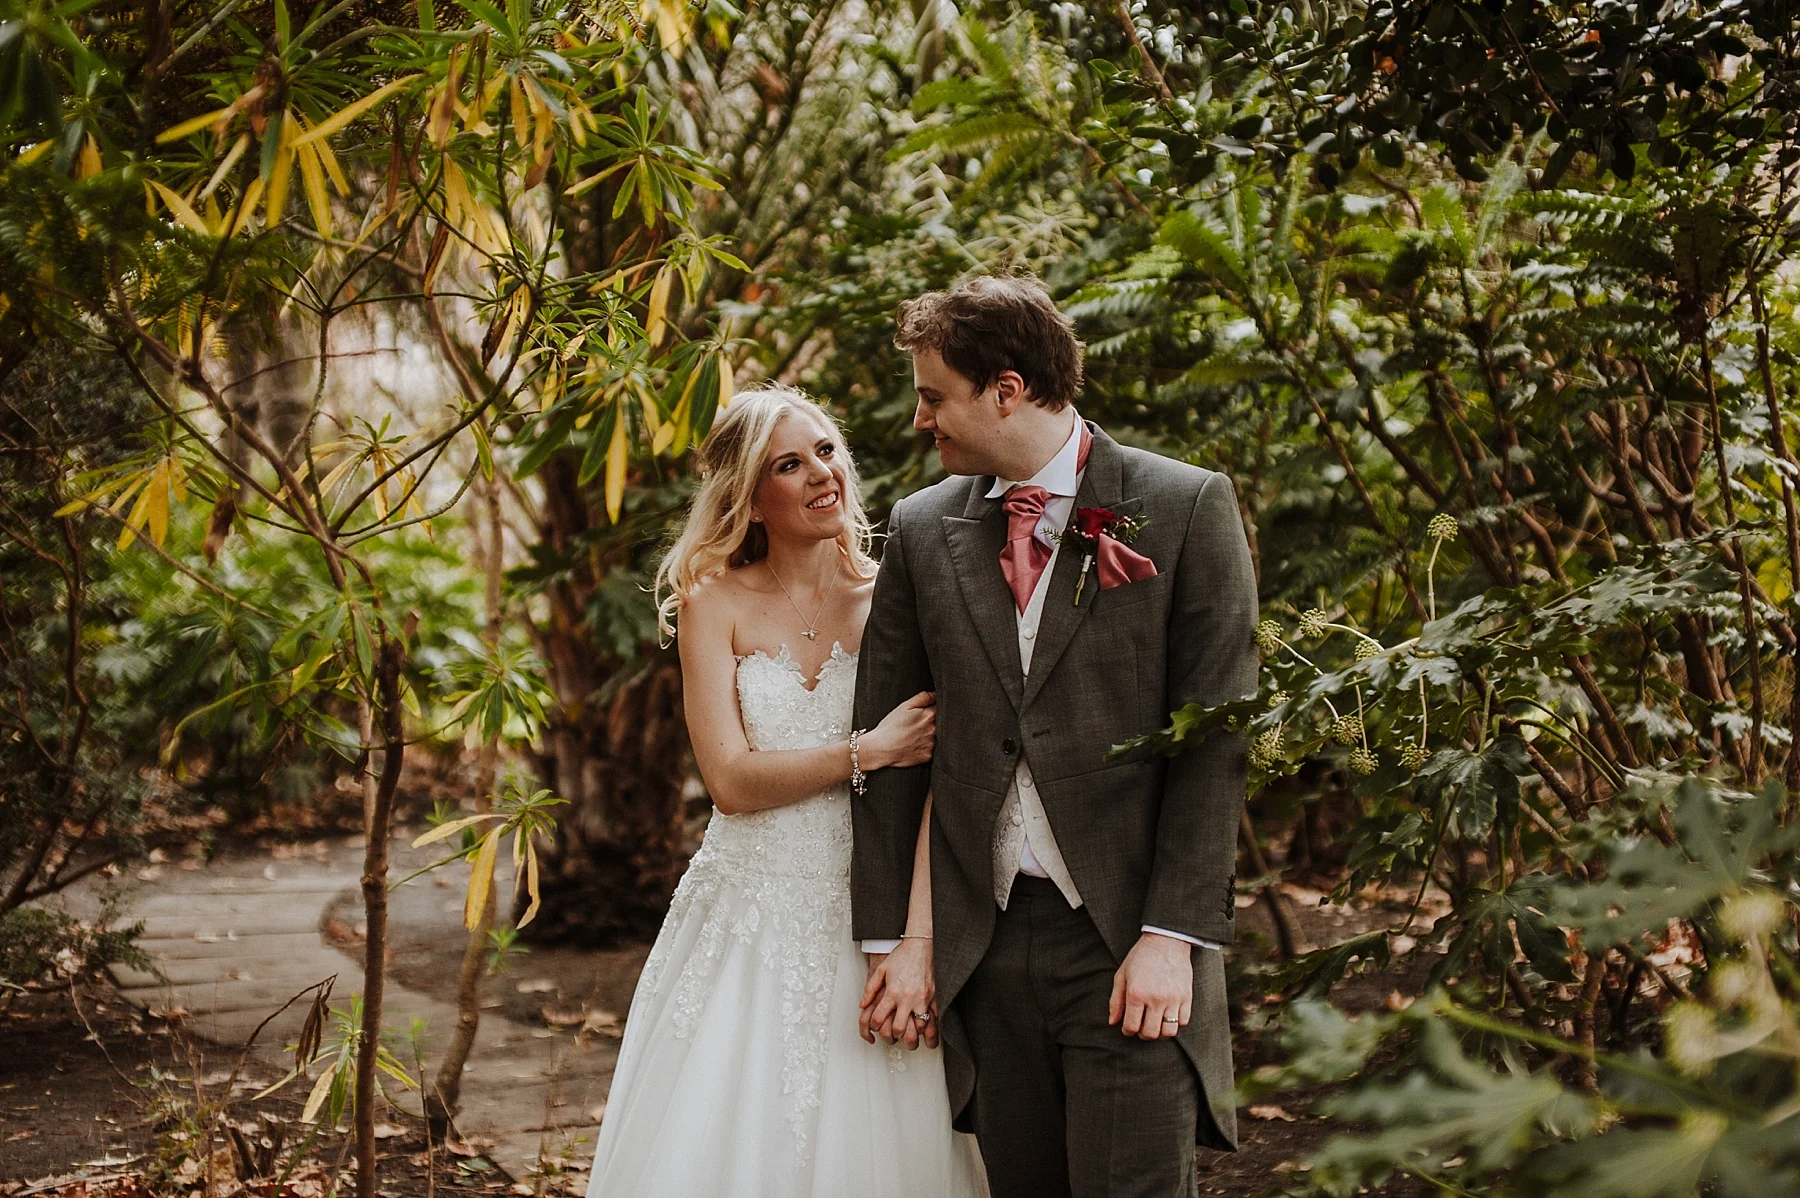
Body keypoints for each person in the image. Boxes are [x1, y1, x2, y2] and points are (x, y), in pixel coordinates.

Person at [852, 275, 1259, 1198]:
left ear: (1005, 388)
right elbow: (888, 739)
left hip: (1122, 940)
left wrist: (1170, 937)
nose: (922, 421)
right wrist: (895, 941)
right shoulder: (922, 530)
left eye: (933, 395)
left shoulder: (1185, 505)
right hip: (984, 947)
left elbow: (1216, 741)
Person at [584, 383, 988, 1197]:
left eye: (827, 452)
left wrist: (921, 937)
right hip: (746, 914)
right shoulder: (713, 603)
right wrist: (863, 751)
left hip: (864, 909)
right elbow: (730, 780)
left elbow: (945, 784)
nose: (822, 476)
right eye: (790, 465)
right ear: (751, 498)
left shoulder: (894, 602)